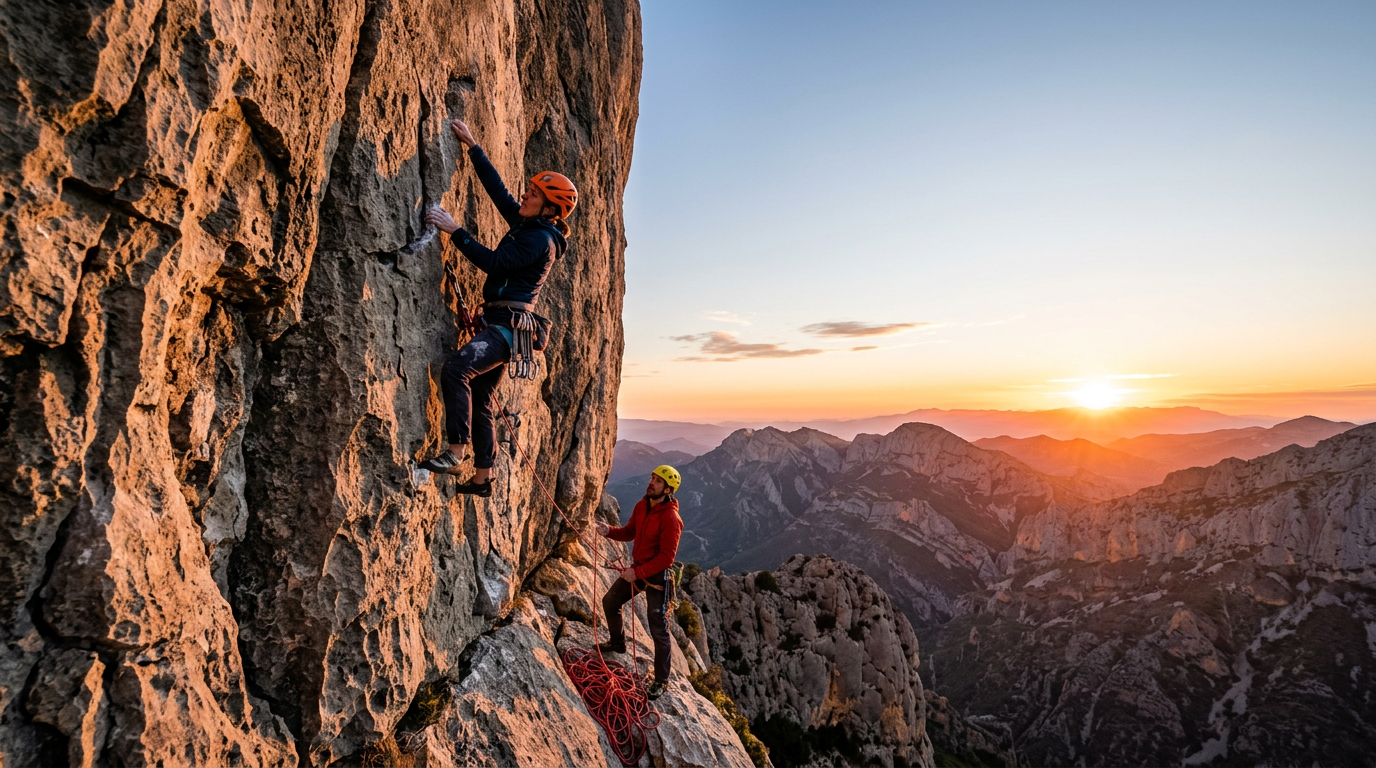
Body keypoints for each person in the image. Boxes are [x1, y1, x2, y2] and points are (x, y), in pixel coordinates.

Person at [418, 118, 578, 495]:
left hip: (506, 329)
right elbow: (499, 193)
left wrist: (454, 229)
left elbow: (495, 264)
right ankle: (483, 478)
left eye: (534, 194)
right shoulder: (529, 226)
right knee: (483, 398)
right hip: (505, 325)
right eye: (530, 189)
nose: (525, 195)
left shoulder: (540, 239)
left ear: (550, 208)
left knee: (457, 369)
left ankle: (456, 451)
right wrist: (473, 145)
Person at [595, 464, 684, 700]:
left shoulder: (671, 519)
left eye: (658, 481)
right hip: (639, 570)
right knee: (610, 601)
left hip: (657, 577)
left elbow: (667, 558)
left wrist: (638, 573)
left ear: (668, 490)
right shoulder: (642, 505)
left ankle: (662, 681)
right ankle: (618, 644)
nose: (651, 482)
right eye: (652, 478)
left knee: (658, 629)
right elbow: (630, 532)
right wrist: (609, 531)